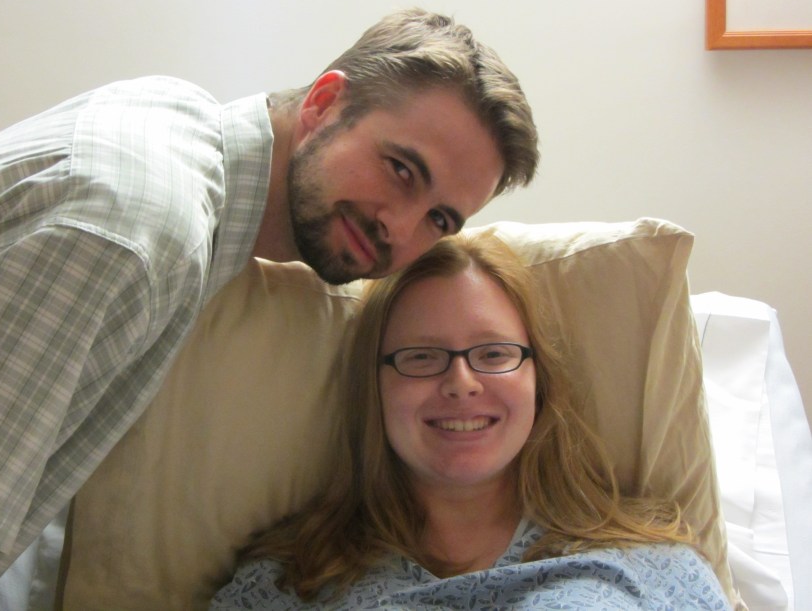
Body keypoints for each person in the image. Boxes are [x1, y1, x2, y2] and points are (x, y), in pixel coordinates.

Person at [0, 9, 539, 609]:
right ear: (324, 103)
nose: (398, 230)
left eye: (439, 219)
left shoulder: (176, 114)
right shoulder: (141, 237)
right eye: (400, 169)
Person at [212, 232, 731, 610]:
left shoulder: (654, 569)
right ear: (374, 388)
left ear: (538, 380)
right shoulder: (285, 586)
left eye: (493, 353)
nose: (461, 383)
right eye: (421, 357)